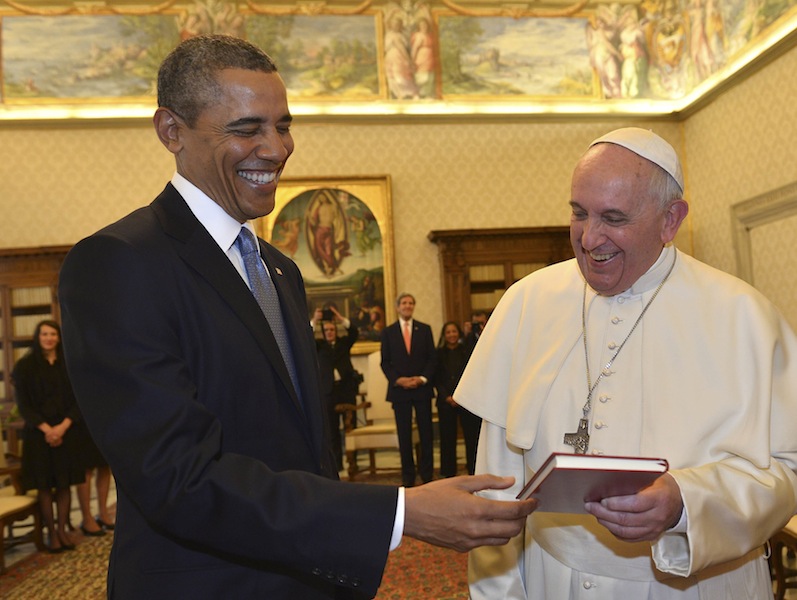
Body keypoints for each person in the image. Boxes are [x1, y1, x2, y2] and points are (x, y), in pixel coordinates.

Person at [58, 34, 534, 599]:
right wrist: (402, 512)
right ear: (171, 131)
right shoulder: (120, 262)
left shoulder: (278, 269)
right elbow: (178, 478)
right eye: (247, 129)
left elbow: (301, 450)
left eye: (283, 125)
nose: (278, 148)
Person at [457, 127, 797, 598]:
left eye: (613, 218)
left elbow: (786, 470)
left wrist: (686, 503)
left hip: (696, 584)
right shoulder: (526, 303)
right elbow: (497, 481)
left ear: (670, 220)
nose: (589, 237)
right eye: (579, 213)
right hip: (553, 579)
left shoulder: (743, 317)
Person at [12, 319, 84, 553]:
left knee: (64, 485)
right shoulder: (25, 367)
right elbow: (24, 405)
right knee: (44, 486)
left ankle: (63, 530)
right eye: (44, 334)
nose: (49, 338)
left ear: (59, 338)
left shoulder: (68, 364)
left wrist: (62, 427)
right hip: (38, 435)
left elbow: (77, 400)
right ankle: (51, 533)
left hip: (66, 432)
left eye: (53, 334)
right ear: (37, 337)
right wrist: (47, 430)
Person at [380, 293, 437, 487]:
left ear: (414, 306)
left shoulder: (425, 329)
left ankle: (427, 473)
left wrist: (421, 379)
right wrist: (399, 380)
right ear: (397, 307)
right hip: (400, 391)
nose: (407, 306)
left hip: (422, 389)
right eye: (404, 303)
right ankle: (408, 475)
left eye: (411, 303)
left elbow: (432, 359)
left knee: (426, 433)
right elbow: (385, 362)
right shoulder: (388, 332)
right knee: (404, 436)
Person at [313, 305, 360, 471]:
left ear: (336, 330)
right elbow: (304, 336)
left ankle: (354, 463)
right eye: (327, 330)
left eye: (332, 329)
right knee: (332, 431)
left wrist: (341, 318)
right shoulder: (318, 346)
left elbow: (354, 332)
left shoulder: (343, 343)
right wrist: (316, 320)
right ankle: (338, 465)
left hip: (346, 390)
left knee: (351, 428)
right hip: (328, 392)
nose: (330, 332)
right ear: (323, 332)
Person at [434, 321, 481, 477]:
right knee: (447, 439)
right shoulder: (438, 354)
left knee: (471, 438)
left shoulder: (467, 352)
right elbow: (436, 379)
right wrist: (447, 396)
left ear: (459, 334)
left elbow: (471, 375)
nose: (451, 335)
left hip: (465, 401)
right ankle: (448, 473)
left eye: (454, 331)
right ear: (444, 335)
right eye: (448, 332)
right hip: (446, 401)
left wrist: (459, 396)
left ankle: (473, 470)